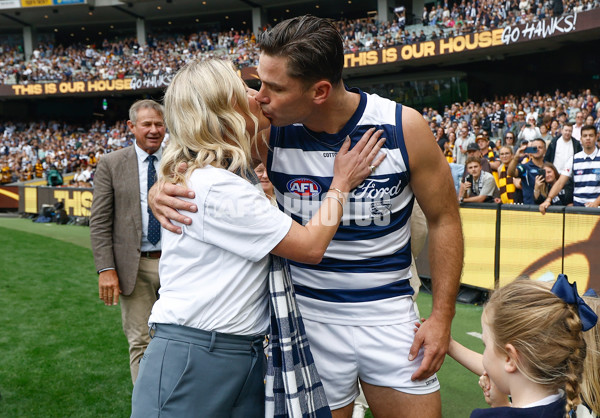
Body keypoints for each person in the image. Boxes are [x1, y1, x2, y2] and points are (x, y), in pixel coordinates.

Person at [150, 15, 463, 418]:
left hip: (388, 316)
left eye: (273, 88)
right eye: (257, 82)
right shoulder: (268, 130)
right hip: (306, 319)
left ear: (319, 90)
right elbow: (196, 133)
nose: (259, 97)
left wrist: (441, 316)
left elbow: (444, 220)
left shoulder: (404, 128)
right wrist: (162, 185)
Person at [131, 58, 385, 418]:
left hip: (232, 351)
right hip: (198, 355)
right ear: (225, 109)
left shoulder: (215, 178)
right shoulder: (217, 186)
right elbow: (310, 246)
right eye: (246, 90)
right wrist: (340, 186)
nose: (259, 96)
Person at [89, 99, 166, 383]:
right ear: (131, 127)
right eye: (147, 124)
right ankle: (146, 409)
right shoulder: (111, 163)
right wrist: (106, 269)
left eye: (159, 123)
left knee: (183, 339)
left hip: (178, 264)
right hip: (134, 268)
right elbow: (99, 221)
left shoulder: (179, 159)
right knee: (141, 342)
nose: (154, 130)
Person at [445, 275, 597, 417]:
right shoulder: (570, 405)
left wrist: (499, 409)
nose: (484, 353)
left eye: (485, 345)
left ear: (510, 358)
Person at [540, 125, 600, 213]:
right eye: (585, 136)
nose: (588, 138)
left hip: (597, 209)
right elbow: (560, 183)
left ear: (596, 137)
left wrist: (596, 203)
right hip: (578, 208)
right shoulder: (573, 159)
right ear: (581, 139)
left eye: (591, 135)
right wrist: (549, 199)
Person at [508, 138, 547, 205]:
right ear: (530, 150)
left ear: (545, 151)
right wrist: (516, 157)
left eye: (540, 147)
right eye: (534, 148)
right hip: (529, 208)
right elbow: (511, 173)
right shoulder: (525, 167)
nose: (537, 149)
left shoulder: (549, 167)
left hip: (547, 208)